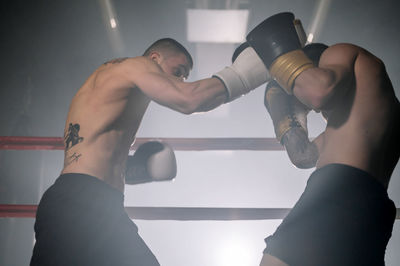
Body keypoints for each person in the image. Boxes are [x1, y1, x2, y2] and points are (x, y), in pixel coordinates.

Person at [30, 37, 270, 266]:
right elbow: (189, 99)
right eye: (178, 72)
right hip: (79, 204)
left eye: (185, 77)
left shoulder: (112, 85)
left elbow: (93, 150)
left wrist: (136, 169)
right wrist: (251, 70)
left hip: (97, 203)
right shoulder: (135, 66)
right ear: (155, 58)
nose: (181, 81)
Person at [247, 13, 400, 266]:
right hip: (374, 209)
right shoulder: (374, 116)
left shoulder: (343, 53)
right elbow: (303, 156)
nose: (316, 111)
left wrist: (280, 63)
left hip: (337, 191)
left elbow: (318, 92)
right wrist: (283, 116)